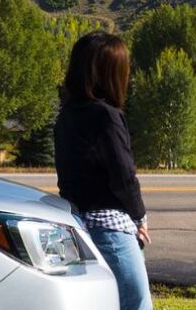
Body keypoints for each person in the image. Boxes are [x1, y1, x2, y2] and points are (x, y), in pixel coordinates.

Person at [55, 32, 152, 310]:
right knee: (136, 303)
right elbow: (123, 175)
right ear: (109, 73)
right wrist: (139, 216)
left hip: (77, 226)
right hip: (110, 229)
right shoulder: (106, 115)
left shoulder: (66, 116)